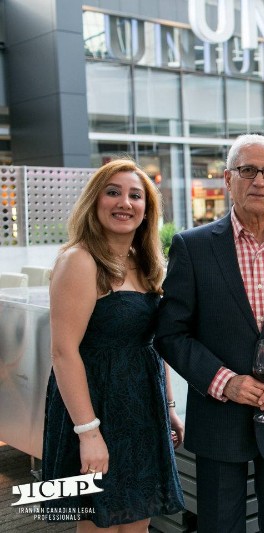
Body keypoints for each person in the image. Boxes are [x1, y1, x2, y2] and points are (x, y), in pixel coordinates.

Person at [155, 134, 264, 533]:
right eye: (247, 170)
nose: (258, 180)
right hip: (218, 421)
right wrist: (225, 382)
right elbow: (170, 333)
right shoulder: (192, 247)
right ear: (227, 178)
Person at [41, 159, 185, 530]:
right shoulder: (79, 260)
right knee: (98, 521)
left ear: (146, 210)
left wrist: (169, 406)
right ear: (95, 201)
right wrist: (88, 432)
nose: (125, 202)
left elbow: (151, 344)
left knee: (138, 519)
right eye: (113, 192)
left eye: (135, 196)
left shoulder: (146, 262)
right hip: (93, 408)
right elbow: (63, 352)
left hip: (141, 407)